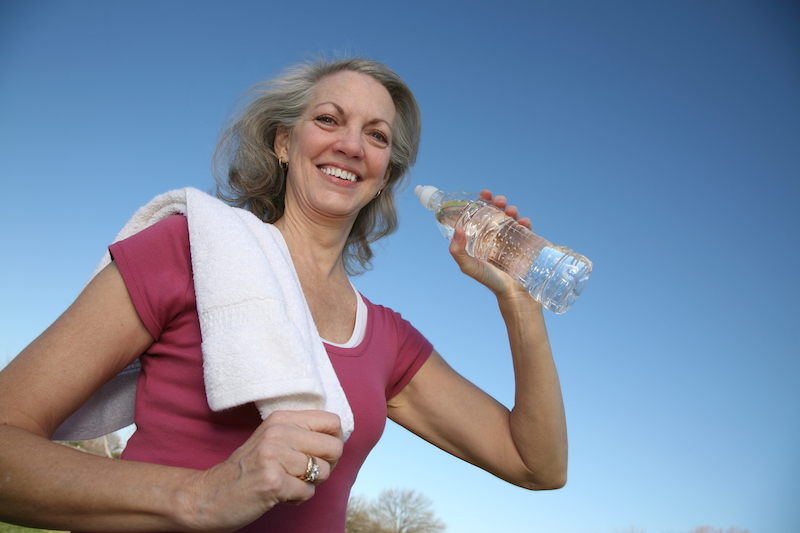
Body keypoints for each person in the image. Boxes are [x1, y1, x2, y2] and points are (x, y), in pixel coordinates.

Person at [0, 57, 567, 532]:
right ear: (282, 141)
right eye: (329, 119)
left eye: (376, 135)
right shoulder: (186, 249)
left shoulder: (387, 340)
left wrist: (520, 304)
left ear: (384, 176)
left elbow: (536, 464)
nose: (351, 145)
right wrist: (200, 494)